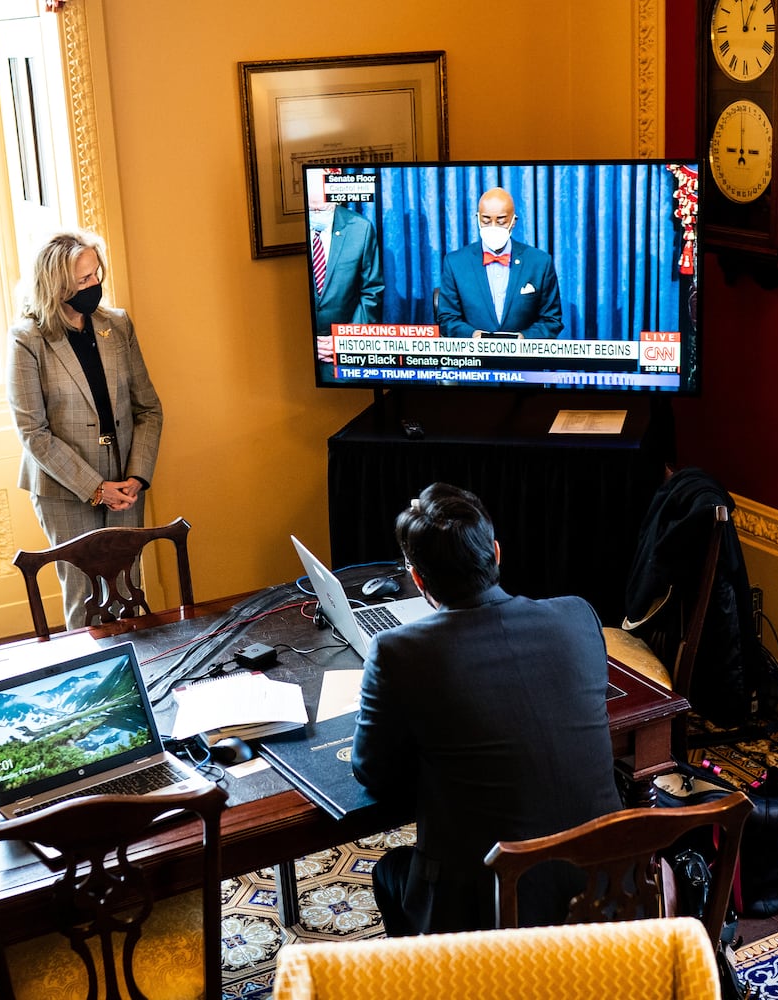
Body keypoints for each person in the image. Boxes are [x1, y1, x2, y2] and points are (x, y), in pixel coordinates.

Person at [351, 482, 621, 935]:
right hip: (605, 891)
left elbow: (373, 773)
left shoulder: (397, 653)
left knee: (389, 873)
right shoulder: (578, 614)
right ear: (496, 552)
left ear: (418, 580)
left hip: (487, 917)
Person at [7, 229, 163, 629]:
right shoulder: (27, 340)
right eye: (84, 280)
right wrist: (96, 487)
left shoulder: (117, 325)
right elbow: (33, 433)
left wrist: (136, 477)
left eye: (97, 274)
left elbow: (148, 408)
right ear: (56, 286)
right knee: (87, 600)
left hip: (125, 484)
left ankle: (143, 679)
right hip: (66, 491)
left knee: (129, 593)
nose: (95, 285)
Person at [435, 187, 562, 339]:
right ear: (477, 218)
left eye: (501, 221)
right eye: (486, 221)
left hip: (523, 359)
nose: (493, 226)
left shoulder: (540, 262)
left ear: (513, 222)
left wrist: (525, 338)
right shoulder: (455, 263)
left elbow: (552, 320)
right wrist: (472, 335)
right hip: (474, 358)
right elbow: (447, 318)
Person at [308, 168, 383, 378]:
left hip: (345, 354)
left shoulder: (361, 229)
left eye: (322, 210)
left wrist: (345, 340)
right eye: (312, 211)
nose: (317, 215)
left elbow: (372, 292)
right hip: (298, 356)